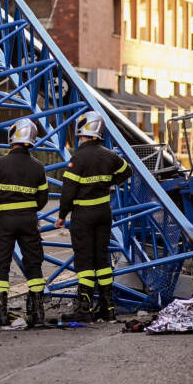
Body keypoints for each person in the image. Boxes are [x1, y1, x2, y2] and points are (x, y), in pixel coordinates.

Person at [55, 111, 132, 322]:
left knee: (85, 261)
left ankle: (84, 309)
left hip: (84, 216)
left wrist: (62, 215)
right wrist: (108, 181)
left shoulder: (78, 158)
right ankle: (108, 309)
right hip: (104, 214)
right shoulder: (109, 155)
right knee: (102, 260)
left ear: (83, 132)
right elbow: (127, 171)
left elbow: (68, 190)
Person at [0, 117, 48, 327]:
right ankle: (38, 313)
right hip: (29, 221)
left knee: (1, 265)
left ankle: (0, 313)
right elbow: (42, 199)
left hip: (5, 222)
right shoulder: (38, 167)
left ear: (13, 136)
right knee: (34, 264)